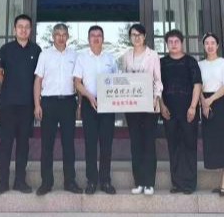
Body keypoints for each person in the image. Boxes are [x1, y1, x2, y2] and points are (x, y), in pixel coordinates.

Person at [0, 14, 42, 195]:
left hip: (27, 105)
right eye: (20, 27)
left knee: (23, 145)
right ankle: (2, 182)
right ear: (14, 29)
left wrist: (37, 103)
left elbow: (39, 77)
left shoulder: (37, 50)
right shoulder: (5, 49)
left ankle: (20, 181)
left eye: (26, 27)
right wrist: (7, 85)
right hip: (8, 104)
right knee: (5, 143)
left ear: (30, 30)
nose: (23, 30)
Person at [34, 23, 83, 195]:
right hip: (49, 103)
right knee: (47, 144)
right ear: (53, 36)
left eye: (64, 34)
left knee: (68, 144)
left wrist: (79, 105)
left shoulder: (75, 55)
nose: (61, 37)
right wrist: (37, 104)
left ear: (68, 36)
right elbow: (38, 81)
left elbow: (78, 82)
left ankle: (70, 181)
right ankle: (46, 182)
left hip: (68, 102)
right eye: (58, 34)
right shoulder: (45, 55)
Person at [73, 25, 118, 195]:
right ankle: (91, 180)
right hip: (89, 103)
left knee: (106, 144)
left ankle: (105, 181)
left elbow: (117, 80)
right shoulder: (82, 58)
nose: (96, 38)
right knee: (90, 144)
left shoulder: (110, 58)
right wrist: (89, 96)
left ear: (103, 39)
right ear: (88, 39)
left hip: (108, 104)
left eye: (99, 35)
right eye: (93, 35)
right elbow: (77, 82)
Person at [158, 29, 202, 195]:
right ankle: (176, 183)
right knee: (173, 146)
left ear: (182, 43)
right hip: (169, 111)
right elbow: (157, 87)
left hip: (188, 110)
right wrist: (162, 106)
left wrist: (193, 106)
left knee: (189, 145)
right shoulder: (162, 63)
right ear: (166, 44)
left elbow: (197, 84)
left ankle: (189, 184)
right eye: (170, 42)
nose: (173, 44)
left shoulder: (190, 62)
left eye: (176, 41)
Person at [121, 23, 162, 196]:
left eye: (139, 35)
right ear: (130, 38)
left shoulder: (153, 55)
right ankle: (139, 182)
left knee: (149, 143)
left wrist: (156, 98)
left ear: (144, 37)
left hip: (150, 105)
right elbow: (123, 79)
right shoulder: (126, 56)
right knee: (136, 144)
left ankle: (149, 183)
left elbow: (158, 80)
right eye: (133, 35)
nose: (136, 38)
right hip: (132, 106)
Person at [199, 32, 224, 196]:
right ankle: (222, 177)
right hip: (205, 103)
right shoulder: (200, 64)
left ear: (218, 45)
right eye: (207, 43)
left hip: (219, 102)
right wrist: (203, 102)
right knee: (211, 140)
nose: (210, 46)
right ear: (203, 46)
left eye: (212, 43)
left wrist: (210, 100)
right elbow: (198, 86)